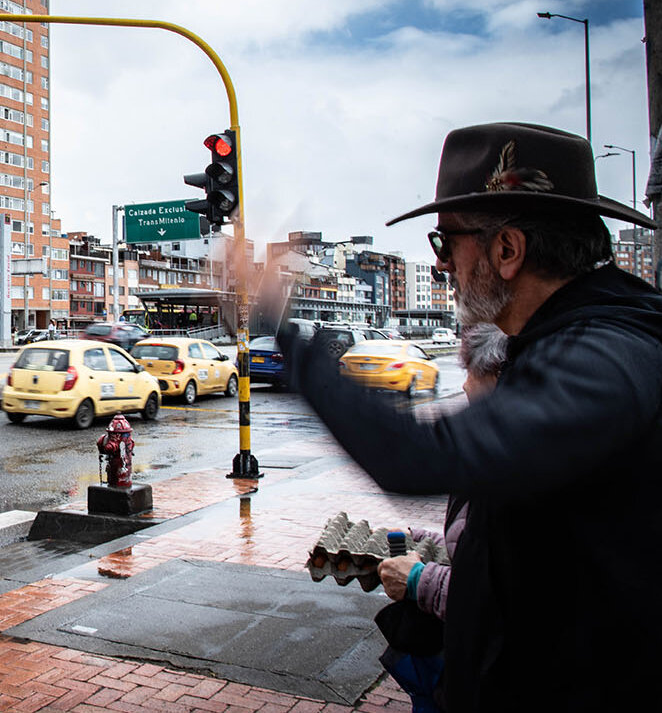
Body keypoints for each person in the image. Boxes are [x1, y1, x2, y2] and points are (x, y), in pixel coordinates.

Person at [278, 122, 662, 712]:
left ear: (507, 250)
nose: (443, 270)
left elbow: (417, 456)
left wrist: (287, 337)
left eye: (444, 245)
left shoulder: (604, 354)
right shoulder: (565, 342)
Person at [375, 323, 507, 711]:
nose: (464, 385)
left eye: (472, 372)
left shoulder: (522, 460)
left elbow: (502, 595)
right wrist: (429, 540)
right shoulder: (498, 443)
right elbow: (477, 542)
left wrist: (419, 580)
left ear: (499, 375)